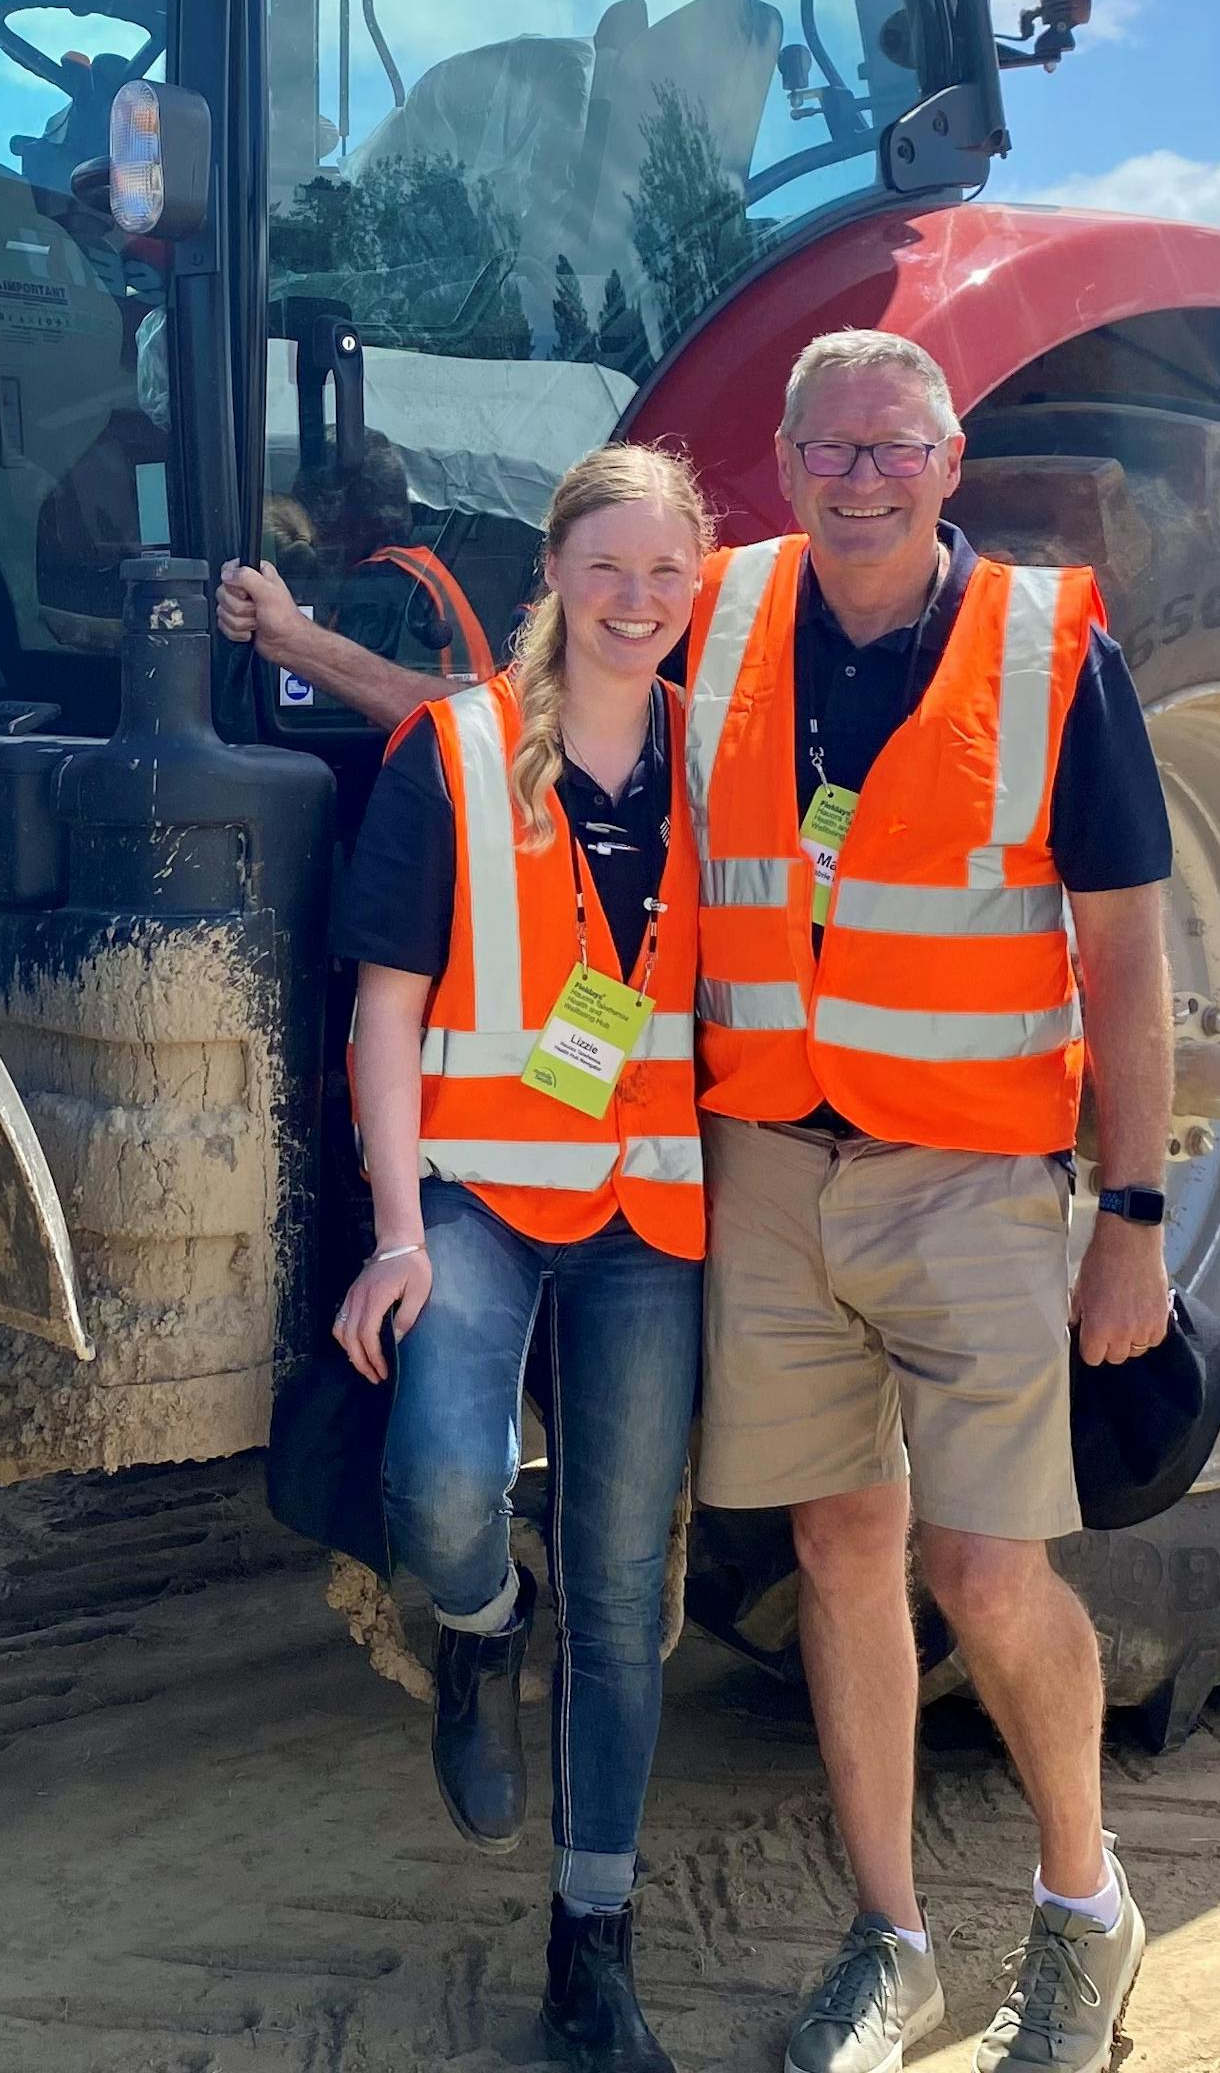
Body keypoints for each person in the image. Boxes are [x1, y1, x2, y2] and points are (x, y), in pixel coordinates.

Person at [228, 329, 1176, 2073]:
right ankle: (893, 1942)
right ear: (787, 465)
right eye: (829, 450)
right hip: (761, 1170)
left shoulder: (1046, 646)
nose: (864, 476)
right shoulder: (718, 611)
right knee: (835, 1548)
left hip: (959, 1173)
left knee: (980, 1567)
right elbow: (495, 723)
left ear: (952, 457)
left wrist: (1135, 1206)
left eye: (897, 447)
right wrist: (304, 648)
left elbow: (1124, 945)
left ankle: (1083, 1911)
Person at [326, 443, 717, 2073]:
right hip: (480, 1194)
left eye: (666, 576)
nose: (636, 602)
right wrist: (398, 1229)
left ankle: (592, 1952)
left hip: (655, 1217)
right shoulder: (459, 748)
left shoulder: (724, 762)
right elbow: (389, 1006)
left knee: (627, 1600)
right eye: (607, 568)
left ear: (699, 594)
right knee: (438, 1492)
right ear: (551, 573)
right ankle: (480, 1626)